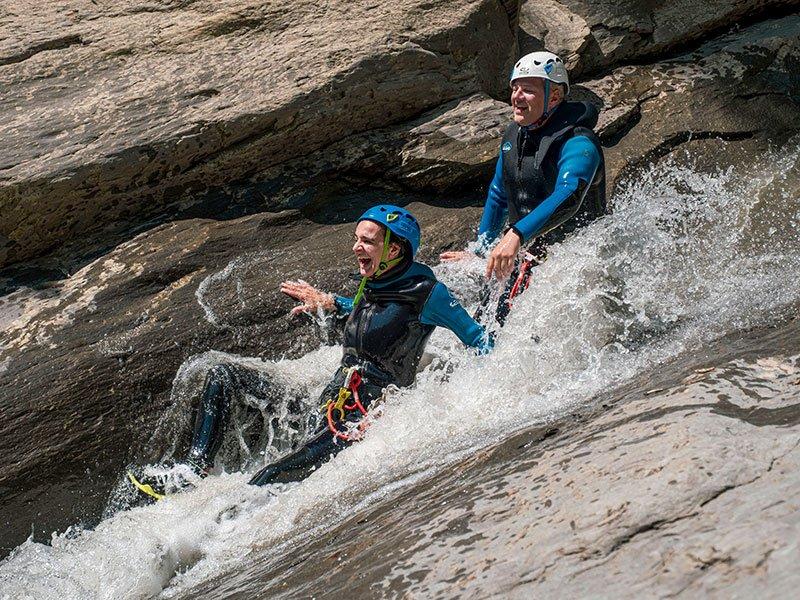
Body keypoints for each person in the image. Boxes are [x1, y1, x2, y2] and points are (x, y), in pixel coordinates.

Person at [129, 204, 491, 499]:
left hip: (360, 420)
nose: (356, 247)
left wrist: (474, 397)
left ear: (394, 249)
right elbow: (371, 308)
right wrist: (330, 301)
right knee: (222, 375)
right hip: (329, 404)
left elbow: (478, 340)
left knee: (269, 477)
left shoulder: (428, 293)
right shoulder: (374, 281)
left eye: (367, 241)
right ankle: (194, 469)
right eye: (356, 238)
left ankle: (210, 528)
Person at [441, 51, 607, 324]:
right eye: (514, 88)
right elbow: (499, 193)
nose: (517, 97)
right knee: (487, 327)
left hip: (578, 260)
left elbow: (570, 193)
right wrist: (481, 251)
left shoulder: (580, 141)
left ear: (553, 96)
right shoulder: (513, 137)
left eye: (527, 90)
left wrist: (515, 235)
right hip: (525, 252)